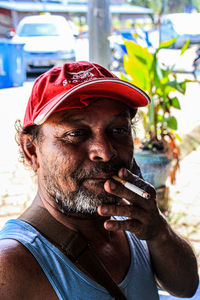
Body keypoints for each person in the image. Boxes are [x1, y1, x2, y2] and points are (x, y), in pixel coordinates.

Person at [0, 61, 199, 300]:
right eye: (75, 134)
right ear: (31, 150)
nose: (104, 151)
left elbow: (187, 286)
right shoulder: (12, 266)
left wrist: (159, 231)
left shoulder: (132, 223)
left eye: (118, 130)